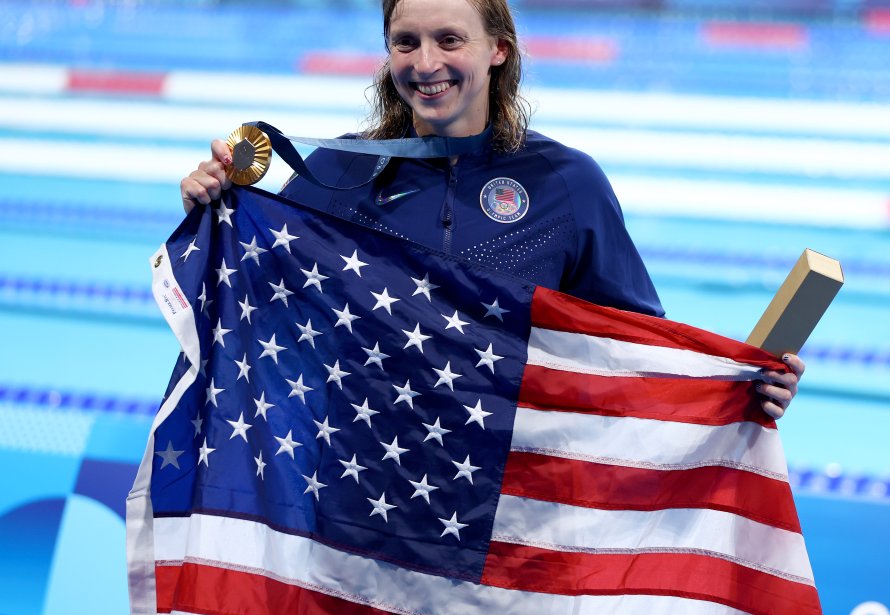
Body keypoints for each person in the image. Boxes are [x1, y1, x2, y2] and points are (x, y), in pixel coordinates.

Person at [179, 0, 803, 418]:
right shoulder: (335, 176)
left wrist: (735, 389)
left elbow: (633, 350)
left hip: (508, 518)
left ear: (498, 49)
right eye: (406, 42)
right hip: (354, 499)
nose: (426, 64)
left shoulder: (567, 183)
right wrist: (211, 212)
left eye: (450, 40)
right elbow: (252, 315)